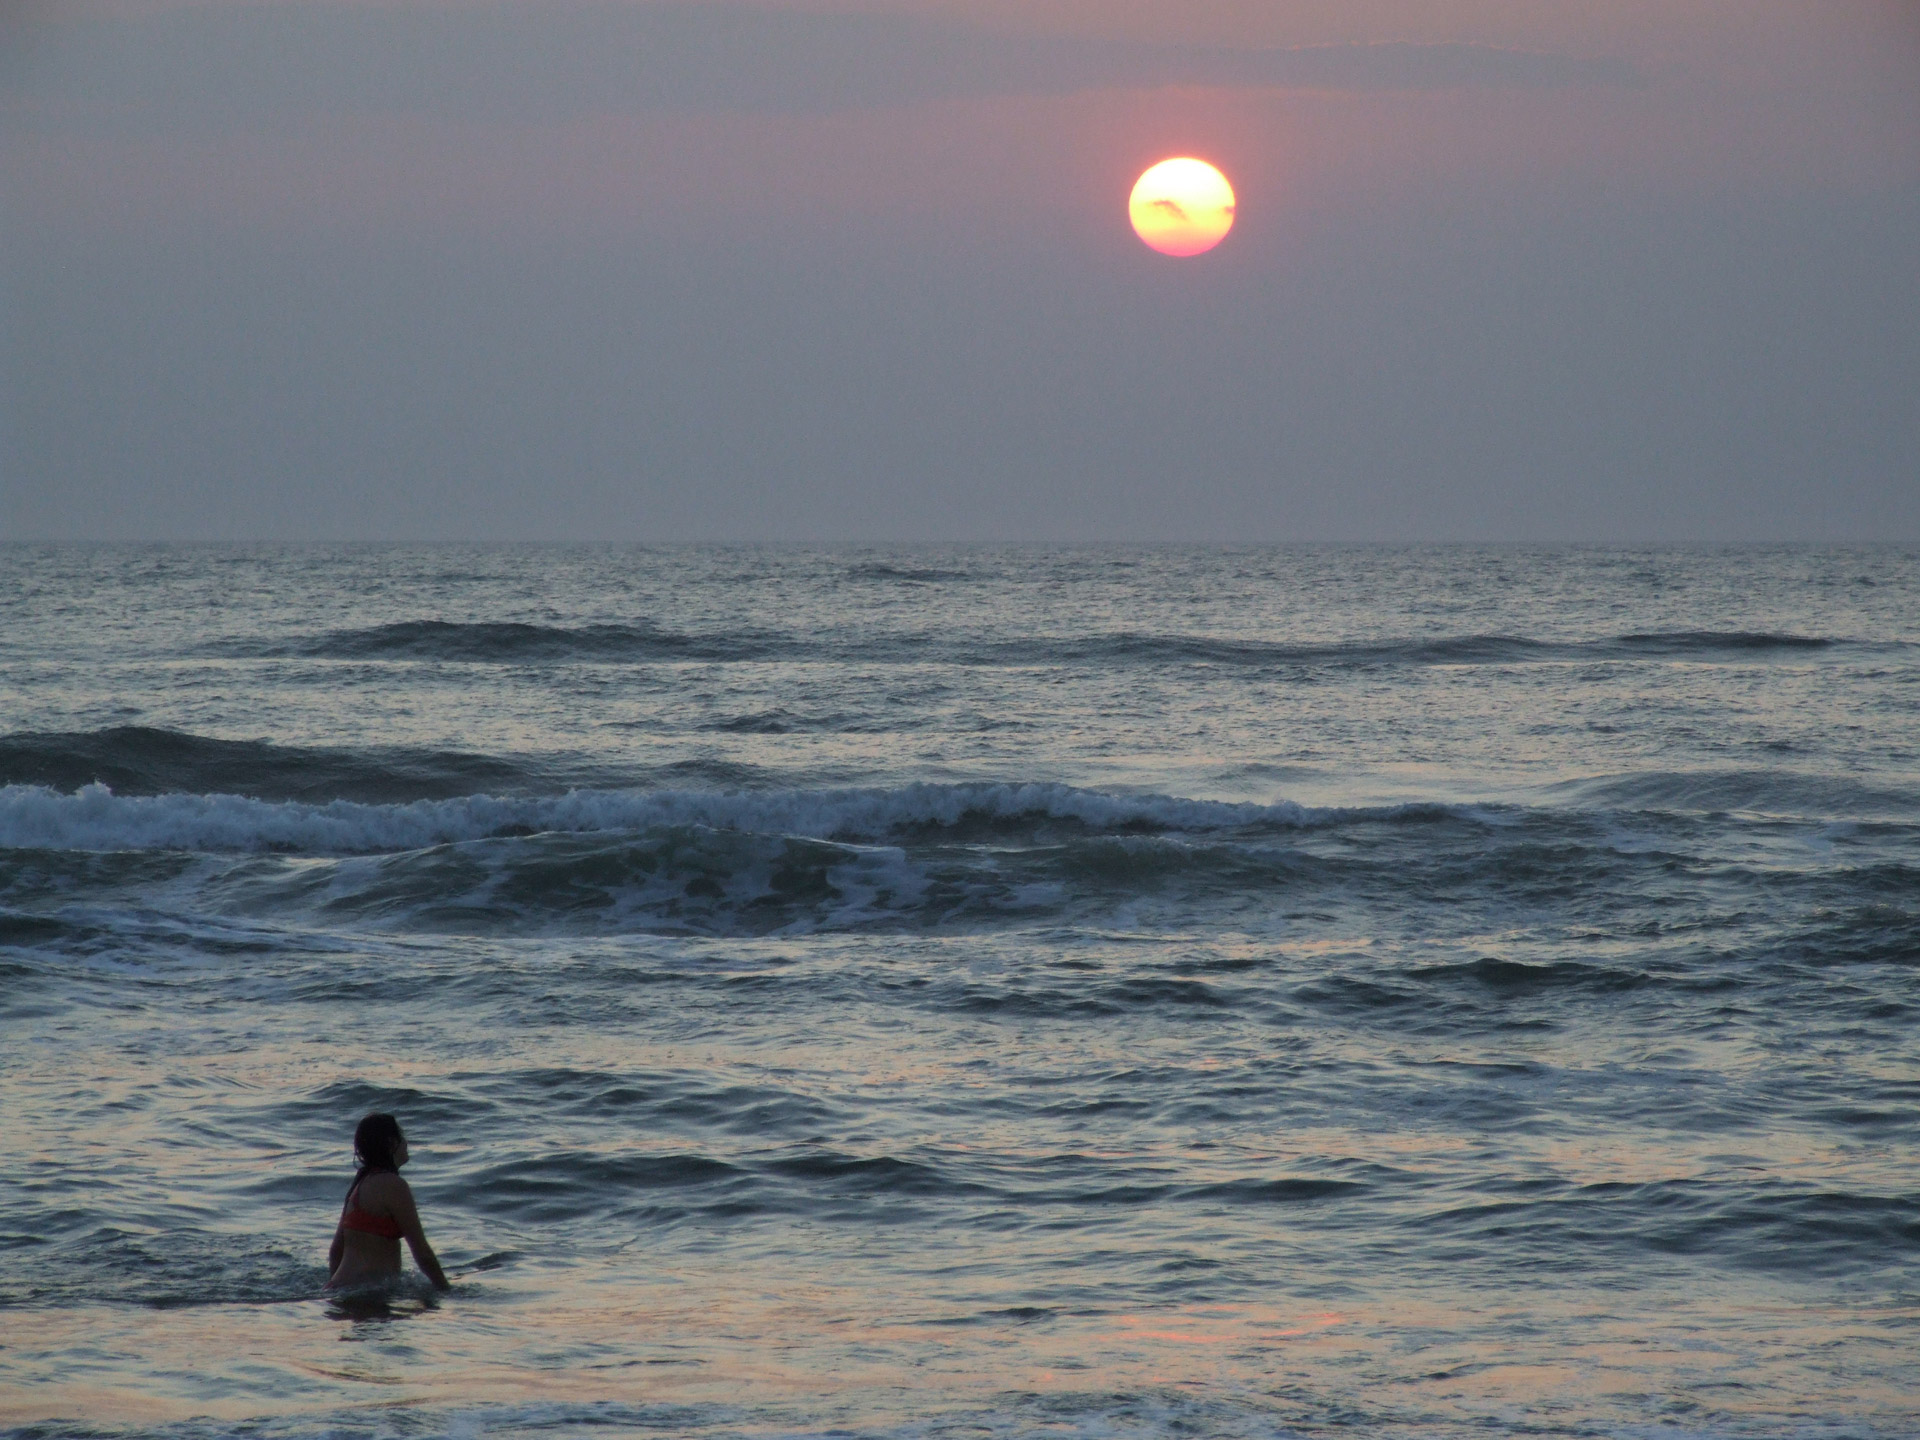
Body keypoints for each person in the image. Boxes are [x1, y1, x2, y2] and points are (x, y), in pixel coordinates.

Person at [326, 1112, 451, 1291]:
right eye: (402, 1136)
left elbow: (336, 1251)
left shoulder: (360, 1184)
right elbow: (422, 1253)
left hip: (341, 1288)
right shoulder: (393, 1185)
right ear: (392, 1143)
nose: (406, 1143)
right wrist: (445, 1290)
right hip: (366, 1293)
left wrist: (336, 1293)